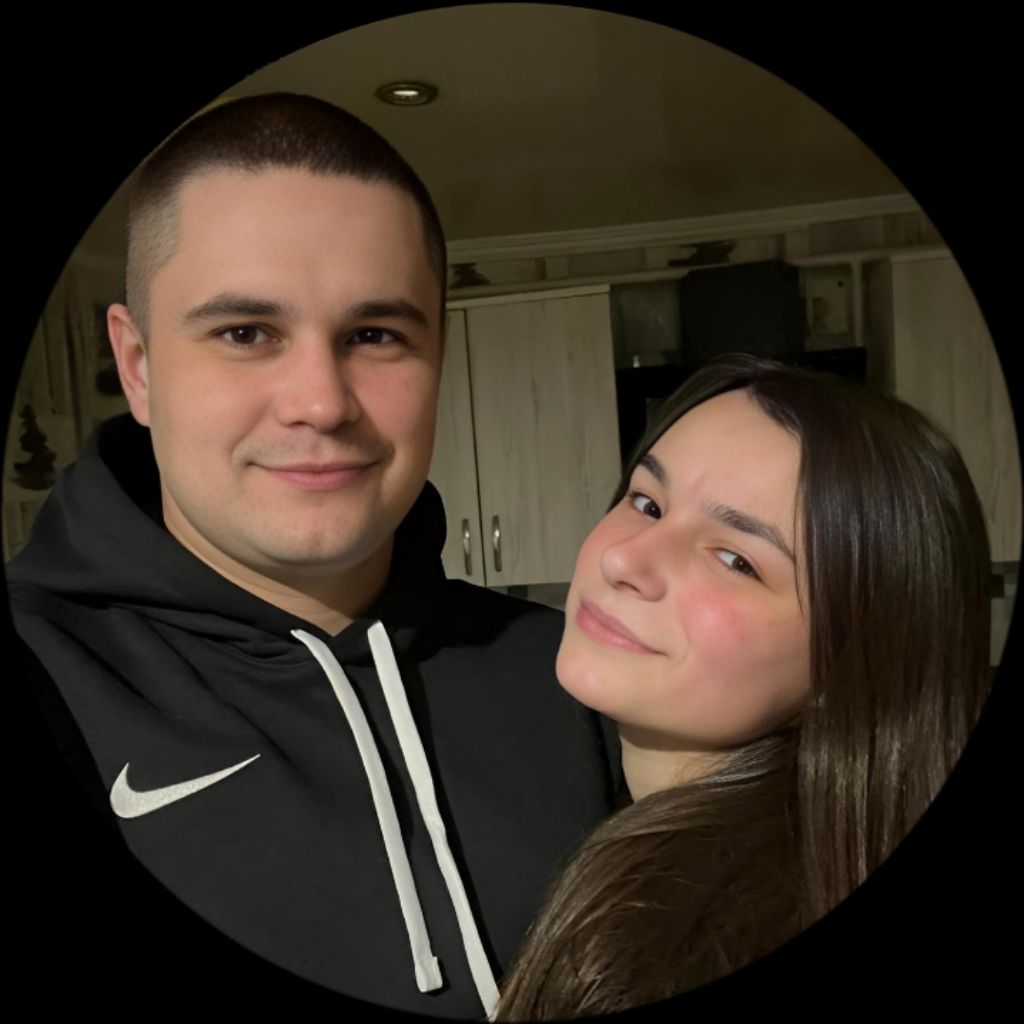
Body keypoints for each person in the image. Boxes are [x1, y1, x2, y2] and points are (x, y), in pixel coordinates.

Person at [4, 93, 616, 1020]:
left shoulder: (573, 674)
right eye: (245, 333)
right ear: (138, 365)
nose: (322, 402)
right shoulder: (51, 675)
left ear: (437, 354)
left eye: (375, 336)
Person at [495, 353, 993, 1019]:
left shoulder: (689, 949)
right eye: (646, 503)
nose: (622, 558)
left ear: (853, 661)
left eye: (735, 559)